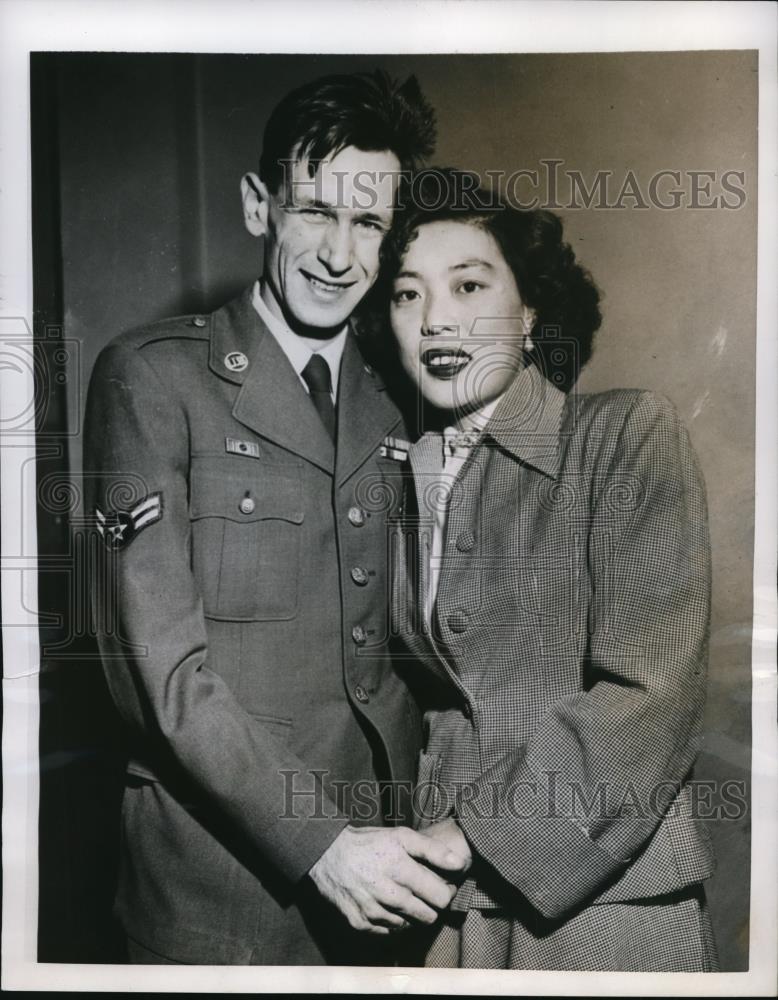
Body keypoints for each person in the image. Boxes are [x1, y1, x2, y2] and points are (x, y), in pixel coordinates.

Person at [83, 73, 471, 967]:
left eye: (368, 223)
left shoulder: (395, 400)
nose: (339, 254)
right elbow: (163, 680)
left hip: (389, 885)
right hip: (222, 902)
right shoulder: (152, 378)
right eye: (315, 212)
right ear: (260, 207)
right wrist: (325, 847)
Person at [373, 169, 719, 970]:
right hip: (444, 909)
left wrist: (471, 835)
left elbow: (650, 692)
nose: (437, 320)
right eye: (406, 294)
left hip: (605, 901)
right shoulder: (399, 476)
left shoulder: (624, 435)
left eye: (469, 285)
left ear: (530, 312)